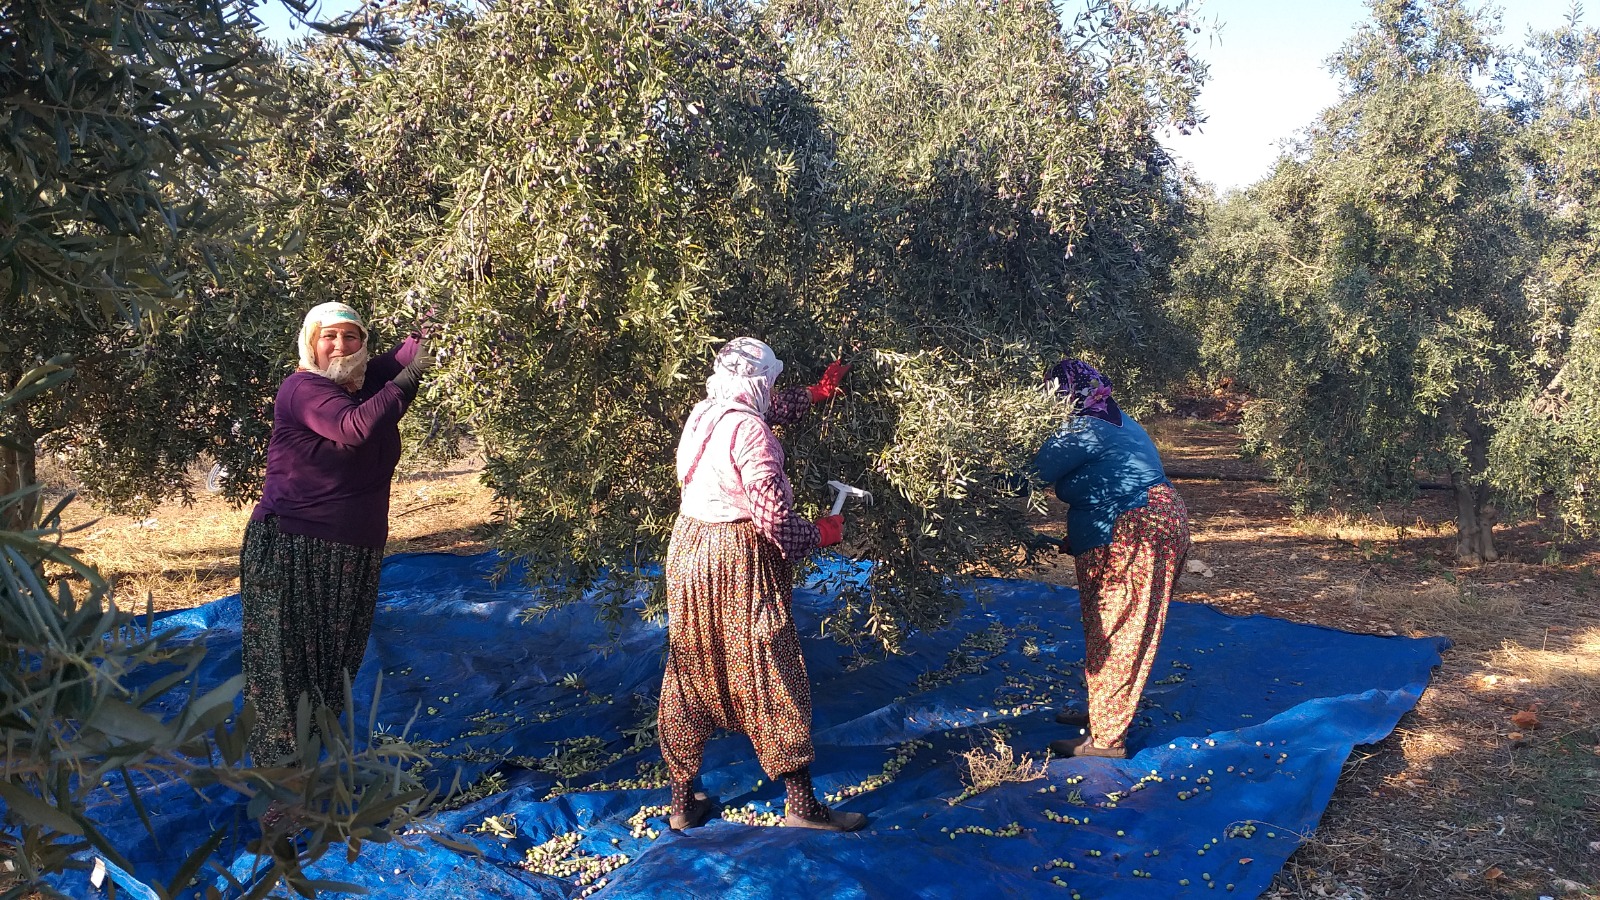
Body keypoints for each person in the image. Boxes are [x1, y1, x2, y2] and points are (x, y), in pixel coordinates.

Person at [657, 337, 866, 833]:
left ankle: (684, 801)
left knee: (690, 663)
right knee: (768, 663)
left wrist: (817, 392)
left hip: (688, 549)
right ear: (758, 382)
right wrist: (819, 533)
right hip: (737, 555)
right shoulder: (753, 435)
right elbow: (774, 519)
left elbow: (771, 406)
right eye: (769, 381)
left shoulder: (704, 412)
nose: (773, 391)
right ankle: (803, 805)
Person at [240, 302, 434, 765]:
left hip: (352, 553)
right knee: (287, 674)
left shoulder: (362, 381)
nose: (341, 346)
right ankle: (280, 793)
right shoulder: (302, 388)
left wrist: (438, 315)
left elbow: (408, 354)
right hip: (292, 548)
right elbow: (354, 427)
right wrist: (409, 378)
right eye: (330, 336)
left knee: (333, 667)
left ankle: (307, 770)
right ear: (311, 341)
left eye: (352, 336)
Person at [1030, 359, 1191, 760]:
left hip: (1137, 527)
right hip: (1135, 523)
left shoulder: (1086, 428)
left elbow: (1023, 476)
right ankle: (1102, 712)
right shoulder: (1115, 420)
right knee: (1106, 622)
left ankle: (1106, 741)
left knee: (1121, 626)